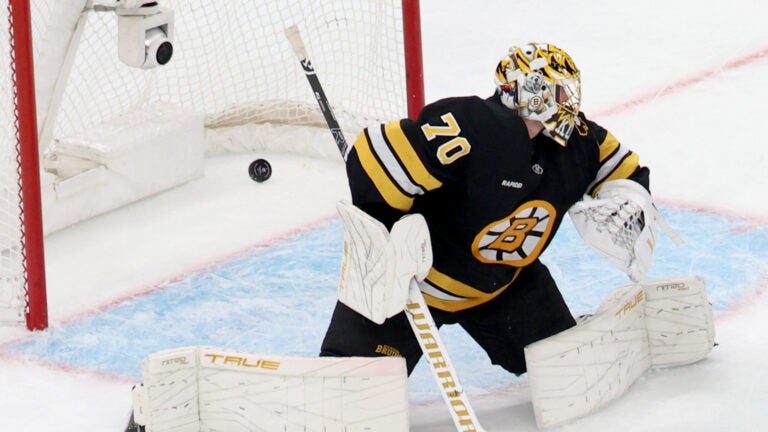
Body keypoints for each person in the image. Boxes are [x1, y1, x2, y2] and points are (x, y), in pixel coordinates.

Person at [320, 42, 655, 376]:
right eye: (560, 90)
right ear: (533, 92)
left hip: (505, 290)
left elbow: (625, 170)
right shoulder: (474, 125)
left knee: (566, 369)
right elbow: (371, 157)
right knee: (350, 386)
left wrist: (627, 199)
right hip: (410, 290)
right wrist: (386, 230)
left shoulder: (577, 142)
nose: (569, 101)